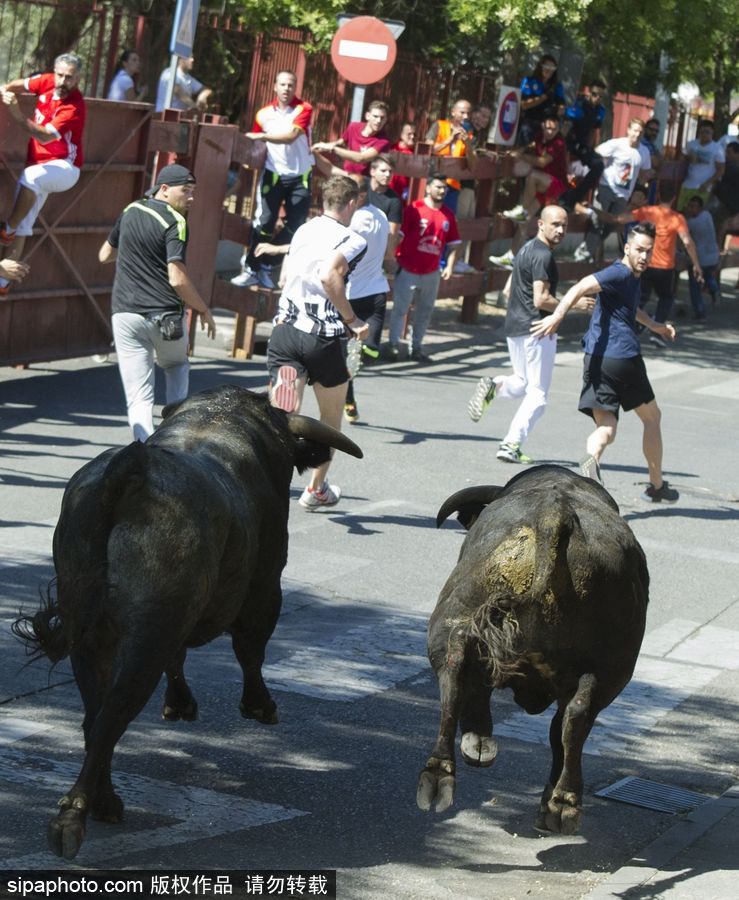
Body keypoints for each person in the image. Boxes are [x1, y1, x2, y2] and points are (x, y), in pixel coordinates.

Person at [531, 221, 680, 503]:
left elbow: (630, 308)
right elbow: (581, 286)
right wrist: (557, 316)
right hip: (623, 358)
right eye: (639, 250)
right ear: (626, 248)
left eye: (649, 251)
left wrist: (656, 325)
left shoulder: (629, 277)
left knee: (606, 428)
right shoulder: (619, 272)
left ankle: (590, 463)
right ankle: (657, 485)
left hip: (596, 360)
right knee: (652, 418)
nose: (644, 257)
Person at [266, 175, 369, 510]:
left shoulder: (303, 229)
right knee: (330, 418)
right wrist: (352, 320)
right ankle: (315, 488)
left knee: (281, 415)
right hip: (321, 336)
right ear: (352, 203)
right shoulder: (351, 238)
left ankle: (266, 482)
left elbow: (285, 275)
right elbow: (329, 276)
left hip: (285, 331)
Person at [98, 164, 216, 442]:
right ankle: (175, 438)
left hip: (124, 314)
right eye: (185, 191)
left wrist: (134, 252)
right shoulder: (175, 221)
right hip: (164, 317)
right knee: (176, 366)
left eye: (193, 191)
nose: (191, 197)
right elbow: (176, 278)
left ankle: (145, 450)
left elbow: (105, 254)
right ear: (164, 189)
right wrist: (203, 308)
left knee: (139, 397)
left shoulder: (130, 211)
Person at [468, 206, 593, 464]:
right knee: (538, 393)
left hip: (515, 327)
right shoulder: (543, 255)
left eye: (564, 226)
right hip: (537, 329)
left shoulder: (525, 249)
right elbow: (541, 298)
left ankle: (495, 386)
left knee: (522, 382)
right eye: (555, 224)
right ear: (541, 224)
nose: (560, 230)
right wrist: (574, 305)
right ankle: (511, 444)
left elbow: (506, 291)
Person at [0, 54, 86, 297]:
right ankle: (3, 284)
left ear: (78, 78)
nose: (62, 80)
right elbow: (21, 84)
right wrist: (4, 89)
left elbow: (43, 136)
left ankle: (7, 229)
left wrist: (16, 112)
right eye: (60, 74)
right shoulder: (48, 81)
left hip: (65, 168)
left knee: (30, 177)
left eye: (69, 77)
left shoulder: (74, 106)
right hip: (39, 166)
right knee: (26, 223)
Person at [231, 71, 314, 289]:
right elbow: (255, 146)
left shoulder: (304, 109)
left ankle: (267, 264)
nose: (287, 88)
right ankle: (251, 268)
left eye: (291, 85)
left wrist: (262, 136)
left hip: (300, 176)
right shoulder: (263, 114)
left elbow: (291, 137)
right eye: (283, 84)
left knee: (296, 227)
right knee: (265, 222)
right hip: (274, 174)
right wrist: (249, 160)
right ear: (275, 87)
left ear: (295, 88)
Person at [594, 181, 702, 347]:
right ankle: (657, 332)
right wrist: (696, 265)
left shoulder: (647, 211)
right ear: (674, 198)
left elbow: (620, 219)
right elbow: (687, 242)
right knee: (666, 298)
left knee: (640, 297)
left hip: (645, 264)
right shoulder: (677, 218)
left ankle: (631, 326)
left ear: (658, 194)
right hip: (666, 267)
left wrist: (597, 210)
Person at [386, 173, 461, 363]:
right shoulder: (414, 209)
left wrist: (450, 266)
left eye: (444, 188)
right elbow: (399, 236)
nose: (442, 191)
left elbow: (454, 244)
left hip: (431, 272)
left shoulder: (448, 215)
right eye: (438, 187)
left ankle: (416, 347)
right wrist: (392, 257)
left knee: (425, 311)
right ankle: (393, 345)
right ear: (428, 188)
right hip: (408, 268)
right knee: (400, 309)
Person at [343, 175, 391, 423]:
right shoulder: (381, 215)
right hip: (373, 290)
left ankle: (355, 355)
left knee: (353, 355)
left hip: (356, 294)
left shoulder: (353, 221)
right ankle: (349, 399)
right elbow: (390, 247)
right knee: (367, 350)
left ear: (358, 196)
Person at [575, 118, 651, 264]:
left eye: (640, 132)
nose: (637, 134)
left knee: (613, 223)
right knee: (597, 220)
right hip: (607, 187)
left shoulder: (644, 151)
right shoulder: (617, 144)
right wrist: (598, 167)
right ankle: (584, 253)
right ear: (628, 130)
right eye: (635, 130)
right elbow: (597, 152)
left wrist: (640, 189)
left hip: (624, 193)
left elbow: (645, 172)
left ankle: (590, 247)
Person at [499, 114, 569, 259]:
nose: (551, 132)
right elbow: (530, 146)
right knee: (525, 220)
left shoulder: (559, 143)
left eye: (554, 129)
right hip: (543, 185)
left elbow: (542, 162)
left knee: (532, 175)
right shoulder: (539, 137)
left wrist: (520, 157)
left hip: (556, 184)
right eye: (548, 128)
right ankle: (511, 256)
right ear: (543, 125)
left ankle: (522, 209)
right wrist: (520, 151)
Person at [558, 80, 607, 211]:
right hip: (569, 142)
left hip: (582, 144)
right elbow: (566, 126)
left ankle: (573, 197)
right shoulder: (578, 105)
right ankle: (563, 198)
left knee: (599, 165)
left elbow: (593, 130)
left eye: (601, 96)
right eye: (595, 94)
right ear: (589, 93)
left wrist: (589, 149)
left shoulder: (601, 111)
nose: (597, 98)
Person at [311, 100, 391, 175]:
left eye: (382, 118)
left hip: (365, 181)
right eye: (375, 116)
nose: (378, 121)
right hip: (347, 174)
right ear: (367, 116)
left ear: (386, 120)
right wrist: (320, 146)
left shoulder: (383, 141)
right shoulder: (353, 127)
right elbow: (339, 143)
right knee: (329, 169)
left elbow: (361, 158)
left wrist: (332, 148)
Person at [426, 98, 477, 214]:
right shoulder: (439, 126)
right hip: (432, 182)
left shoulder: (469, 136)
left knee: (447, 221)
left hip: (452, 186)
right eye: (462, 112)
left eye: (468, 113)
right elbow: (427, 150)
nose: (466, 117)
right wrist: (449, 140)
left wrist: (468, 144)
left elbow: (473, 165)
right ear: (453, 112)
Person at [685, 195, 721, 319]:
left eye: (693, 207)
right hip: (712, 255)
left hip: (699, 258)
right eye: (690, 206)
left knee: (695, 286)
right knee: (709, 277)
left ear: (700, 208)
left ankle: (700, 312)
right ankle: (714, 291)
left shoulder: (691, 223)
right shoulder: (707, 216)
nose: (690, 209)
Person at [518, 55, 565, 146]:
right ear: (540, 66)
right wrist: (544, 97)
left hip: (547, 127)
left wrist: (558, 110)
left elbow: (562, 107)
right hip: (530, 123)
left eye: (552, 67)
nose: (549, 70)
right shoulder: (529, 81)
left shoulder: (557, 86)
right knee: (523, 152)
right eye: (546, 66)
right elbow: (524, 105)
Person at [678, 120, 725, 210]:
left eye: (707, 132)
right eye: (702, 131)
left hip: (703, 187)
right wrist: (688, 158)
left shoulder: (717, 148)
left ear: (712, 132)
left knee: (696, 214)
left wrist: (708, 184)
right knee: (681, 211)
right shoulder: (691, 144)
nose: (704, 134)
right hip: (687, 185)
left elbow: (721, 170)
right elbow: (681, 159)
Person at [388, 122, 416, 205]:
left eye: (414, 134)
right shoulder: (392, 149)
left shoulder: (417, 152)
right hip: (390, 190)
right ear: (401, 135)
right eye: (409, 134)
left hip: (406, 194)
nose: (412, 137)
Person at [640, 118, 663, 202]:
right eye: (651, 129)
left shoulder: (652, 145)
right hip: (641, 183)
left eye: (656, 131)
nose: (654, 133)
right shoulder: (642, 144)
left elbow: (660, 165)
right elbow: (656, 163)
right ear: (645, 129)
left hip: (650, 183)